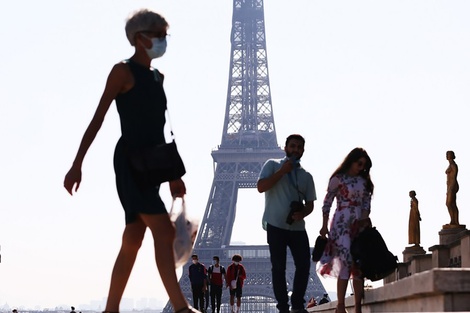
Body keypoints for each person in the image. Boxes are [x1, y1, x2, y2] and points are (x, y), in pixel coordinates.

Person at [63, 9, 198, 313]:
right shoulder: (122, 72)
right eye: (159, 35)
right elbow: (98, 118)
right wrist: (77, 163)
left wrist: (173, 175)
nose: (163, 41)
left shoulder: (157, 76)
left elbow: (160, 129)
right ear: (140, 38)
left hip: (153, 163)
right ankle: (180, 308)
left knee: (133, 239)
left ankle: (111, 310)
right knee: (163, 231)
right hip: (130, 162)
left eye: (166, 35)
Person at [257, 134, 316, 313]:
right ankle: (283, 307)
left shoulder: (306, 176)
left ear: (303, 151)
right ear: (285, 148)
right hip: (275, 226)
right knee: (278, 267)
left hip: (297, 228)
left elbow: (310, 204)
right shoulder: (272, 165)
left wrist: (302, 213)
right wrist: (282, 172)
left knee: (304, 265)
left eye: (299, 147)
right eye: (293, 146)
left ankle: (297, 304)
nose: (295, 149)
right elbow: (261, 187)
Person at [318, 147, 374, 313]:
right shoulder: (338, 179)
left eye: (364, 165)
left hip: (359, 224)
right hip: (341, 224)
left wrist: (363, 222)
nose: (362, 167)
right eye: (359, 163)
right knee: (345, 262)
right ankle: (341, 305)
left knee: (358, 264)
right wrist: (323, 225)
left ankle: (357, 306)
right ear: (351, 160)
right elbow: (327, 203)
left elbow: (366, 205)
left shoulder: (364, 182)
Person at [445, 150, 460, 225]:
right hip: (450, 186)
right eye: (447, 154)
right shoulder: (450, 165)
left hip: (453, 185)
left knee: (449, 203)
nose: (447, 155)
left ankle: (455, 221)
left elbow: (454, 177)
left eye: (449, 154)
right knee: (451, 203)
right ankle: (453, 220)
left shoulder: (453, 165)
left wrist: (451, 187)